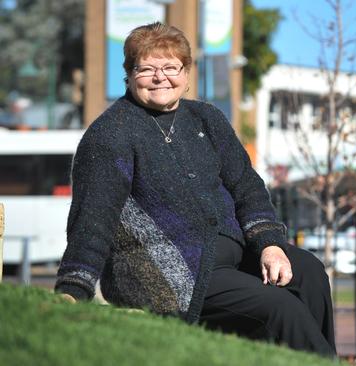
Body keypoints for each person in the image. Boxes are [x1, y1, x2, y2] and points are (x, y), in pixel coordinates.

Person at [54, 22, 336, 357]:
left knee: (310, 274)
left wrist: (270, 244)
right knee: (280, 308)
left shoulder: (206, 119)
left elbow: (247, 186)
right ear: (129, 75)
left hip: (231, 255)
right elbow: (92, 220)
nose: (161, 78)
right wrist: (73, 287)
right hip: (165, 272)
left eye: (171, 67)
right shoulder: (110, 135)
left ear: (186, 74)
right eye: (146, 69)